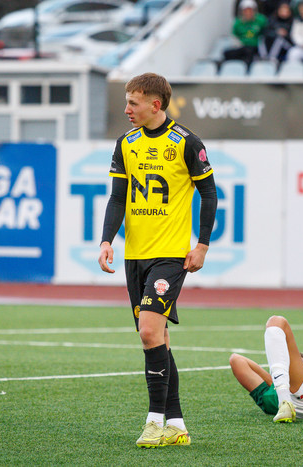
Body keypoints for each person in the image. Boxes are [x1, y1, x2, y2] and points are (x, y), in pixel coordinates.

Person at [98, 73, 218, 448]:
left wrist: (202, 245)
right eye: (126, 102)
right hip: (136, 255)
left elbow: (209, 194)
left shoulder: (186, 142)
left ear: (155, 104)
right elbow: (118, 197)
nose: (127, 109)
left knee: (149, 332)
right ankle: (177, 425)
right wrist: (106, 240)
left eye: (133, 103)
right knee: (158, 339)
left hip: (170, 255)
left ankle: (153, 423)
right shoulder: (126, 143)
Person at [229, 351, 303, 416]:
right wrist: (274, 381)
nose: (293, 370)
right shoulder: (268, 393)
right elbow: (236, 360)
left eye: (300, 368)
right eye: (288, 365)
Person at [223, 0, 269, 65]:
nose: (248, 13)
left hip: (255, 47)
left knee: (249, 51)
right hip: (243, 47)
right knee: (227, 53)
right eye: (245, 11)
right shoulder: (238, 22)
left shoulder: (261, 20)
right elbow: (235, 36)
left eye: (250, 10)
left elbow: (266, 33)